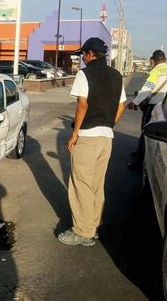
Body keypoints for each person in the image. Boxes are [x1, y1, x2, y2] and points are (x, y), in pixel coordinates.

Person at [58, 37, 126, 247]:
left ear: (89, 54)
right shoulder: (116, 76)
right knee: (96, 184)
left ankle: (83, 231)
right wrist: (108, 123)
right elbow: (122, 105)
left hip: (88, 136)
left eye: (83, 55)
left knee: (81, 183)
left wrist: (75, 133)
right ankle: (93, 226)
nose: (83, 59)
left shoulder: (84, 74)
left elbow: (82, 105)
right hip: (107, 137)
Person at [126, 50, 167, 169]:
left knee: (146, 132)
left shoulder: (156, 71)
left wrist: (134, 102)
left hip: (154, 108)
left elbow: (147, 89)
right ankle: (140, 152)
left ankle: (139, 161)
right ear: (165, 59)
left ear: (152, 61)